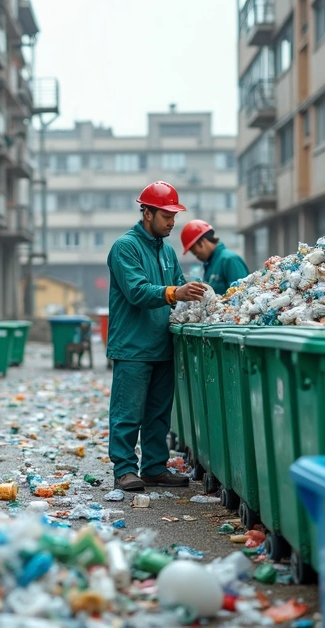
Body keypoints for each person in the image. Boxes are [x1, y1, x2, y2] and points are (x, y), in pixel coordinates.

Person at [106, 181, 204, 492]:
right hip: (133, 346)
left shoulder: (168, 251)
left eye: (174, 215)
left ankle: (153, 467)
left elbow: (177, 285)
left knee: (158, 414)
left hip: (162, 345)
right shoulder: (125, 248)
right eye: (166, 216)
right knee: (128, 412)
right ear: (147, 213)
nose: (172, 222)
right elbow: (137, 291)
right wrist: (176, 292)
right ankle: (124, 469)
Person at [180, 220, 250, 297]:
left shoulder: (230, 260)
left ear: (202, 242)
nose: (197, 256)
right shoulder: (210, 265)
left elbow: (242, 296)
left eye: (195, 252)